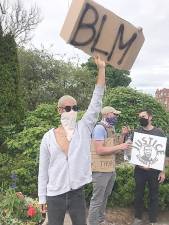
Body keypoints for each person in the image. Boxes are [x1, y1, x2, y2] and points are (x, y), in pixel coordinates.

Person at [38, 55, 106, 225]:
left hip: (77, 193)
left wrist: (102, 69)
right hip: (54, 195)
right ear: (59, 110)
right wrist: (42, 197)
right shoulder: (48, 138)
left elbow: (96, 101)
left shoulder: (84, 128)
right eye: (68, 108)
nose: (72, 111)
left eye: (75, 108)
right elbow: (43, 171)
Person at [88, 106, 132, 225]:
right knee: (97, 199)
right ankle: (92, 222)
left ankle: (101, 220)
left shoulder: (110, 128)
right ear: (106, 115)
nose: (116, 117)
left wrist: (122, 135)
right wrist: (120, 146)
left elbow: (116, 149)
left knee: (105, 196)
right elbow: (99, 150)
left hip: (110, 168)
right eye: (114, 114)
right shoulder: (99, 129)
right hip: (100, 169)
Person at [131, 109, 166, 225]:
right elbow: (130, 148)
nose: (141, 118)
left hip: (154, 171)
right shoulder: (137, 132)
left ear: (150, 117)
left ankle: (153, 220)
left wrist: (162, 172)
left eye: (144, 116)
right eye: (140, 116)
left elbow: (163, 154)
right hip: (139, 171)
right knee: (138, 194)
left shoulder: (159, 132)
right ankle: (138, 218)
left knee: (154, 195)